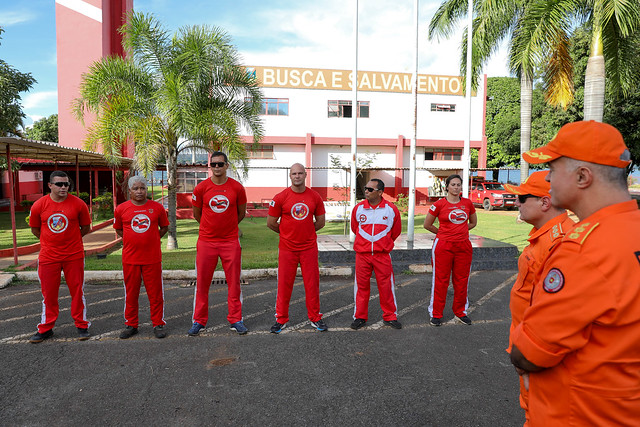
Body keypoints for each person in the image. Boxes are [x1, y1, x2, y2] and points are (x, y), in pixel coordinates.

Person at [510, 120, 640, 426]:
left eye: (553, 170)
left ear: (583, 176)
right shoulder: (631, 228)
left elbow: (531, 353)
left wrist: (519, 350)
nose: (548, 179)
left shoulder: (584, 249)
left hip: (577, 414)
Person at [503, 171, 574, 425]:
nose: (517, 203)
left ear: (545, 203)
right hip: (529, 348)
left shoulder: (560, 242)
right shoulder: (544, 236)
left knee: (542, 414)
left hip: (539, 357)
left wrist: (528, 358)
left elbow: (555, 313)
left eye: (522, 198)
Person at [27, 171, 92, 343]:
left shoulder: (78, 204)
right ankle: (46, 328)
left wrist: (72, 240)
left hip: (74, 255)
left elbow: (85, 228)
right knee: (49, 294)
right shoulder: (39, 205)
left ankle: (81, 325)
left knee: (77, 292)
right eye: (59, 184)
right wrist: (50, 242)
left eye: (66, 184)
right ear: (50, 185)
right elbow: (35, 230)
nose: (63, 187)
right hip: (49, 257)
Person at [189, 151, 248, 336]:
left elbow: (240, 213)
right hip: (207, 241)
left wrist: (228, 228)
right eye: (213, 164)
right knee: (202, 283)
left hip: (230, 241)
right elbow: (197, 214)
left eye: (220, 164)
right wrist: (210, 228)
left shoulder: (237, 188)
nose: (216, 167)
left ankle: (236, 319)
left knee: (234, 283)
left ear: (227, 166)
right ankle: (199, 320)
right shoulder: (201, 188)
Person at [266, 163, 327, 333]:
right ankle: (281, 319)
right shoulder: (280, 197)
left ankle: (315, 318)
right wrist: (287, 233)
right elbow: (271, 223)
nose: (297, 176)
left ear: (305, 175)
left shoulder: (315, 197)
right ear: (290, 176)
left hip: (308, 248)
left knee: (312, 284)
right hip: (287, 249)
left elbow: (321, 222)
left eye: (300, 173)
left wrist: (305, 232)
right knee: (284, 285)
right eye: (294, 173)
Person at [113, 176, 169, 339]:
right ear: (129, 190)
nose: (139, 191)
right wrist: (133, 241)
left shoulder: (156, 207)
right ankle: (131, 324)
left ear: (146, 189)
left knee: (156, 294)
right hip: (130, 259)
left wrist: (151, 239)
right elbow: (119, 230)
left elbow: (164, 227)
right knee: (131, 294)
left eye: (142, 188)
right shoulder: (121, 209)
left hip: (152, 258)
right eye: (136, 188)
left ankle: (158, 323)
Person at [423, 174, 477, 326]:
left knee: (462, 280)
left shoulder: (467, 203)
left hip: (463, 246)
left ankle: (460, 312)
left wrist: (459, 230)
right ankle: (436, 314)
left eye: (458, 184)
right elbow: (427, 224)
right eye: (453, 184)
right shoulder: (439, 204)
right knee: (441, 280)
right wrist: (443, 233)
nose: (456, 187)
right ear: (447, 186)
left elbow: (473, 222)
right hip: (443, 246)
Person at [350, 178, 402, 330]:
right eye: (366, 188)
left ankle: (390, 316)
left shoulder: (391, 209)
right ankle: (359, 316)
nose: (366, 191)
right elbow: (355, 228)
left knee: (386, 287)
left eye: (370, 189)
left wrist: (383, 243)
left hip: (382, 255)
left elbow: (395, 231)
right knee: (361, 287)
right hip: (362, 255)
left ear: (380, 192)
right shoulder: (358, 208)